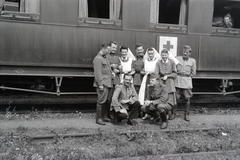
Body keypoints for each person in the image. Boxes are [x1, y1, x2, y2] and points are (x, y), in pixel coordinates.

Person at [93, 42, 113, 125]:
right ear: (103, 49)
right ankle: (99, 118)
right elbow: (98, 73)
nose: (109, 52)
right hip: (103, 84)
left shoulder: (105, 58)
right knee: (101, 101)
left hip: (108, 83)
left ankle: (104, 117)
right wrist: (100, 84)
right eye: (108, 50)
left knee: (106, 101)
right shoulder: (98, 59)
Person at [175, 45, 196, 121]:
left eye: (186, 52)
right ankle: (173, 113)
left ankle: (187, 114)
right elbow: (174, 69)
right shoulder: (177, 59)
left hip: (186, 82)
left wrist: (187, 74)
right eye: (184, 52)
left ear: (189, 53)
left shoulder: (192, 61)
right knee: (175, 98)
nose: (185, 53)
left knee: (187, 99)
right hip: (178, 81)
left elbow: (193, 73)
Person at [155, 48, 177, 120]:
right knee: (163, 97)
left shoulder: (172, 62)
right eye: (163, 55)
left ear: (168, 55)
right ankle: (165, 113)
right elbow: (156, 73)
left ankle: (173, 113)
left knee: (171, 97)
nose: (164, 56)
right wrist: (159, 80)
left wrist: (168, 76)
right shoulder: (158, 62)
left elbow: (175, 74)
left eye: (165, 55)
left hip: (170, 81)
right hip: (162, 81)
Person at [139, 48, 160, 120]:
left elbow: (157, 71)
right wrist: (144, 72)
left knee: (153, 95)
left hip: (154, 78)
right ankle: (146, 113)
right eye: (149, 54)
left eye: (152, 54)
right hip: (147, 79)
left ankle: (153, 114)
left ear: (154, 54)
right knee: (147, 95)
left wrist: (153, 74)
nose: (150, 55)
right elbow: (142, 70)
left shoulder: (157, 61)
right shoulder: (145, 61)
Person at [106, 40, 121, 119]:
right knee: (108, 98)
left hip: (116, 80)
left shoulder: (117, 57)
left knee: (115, 98)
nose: (115, 49)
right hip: (109, 80)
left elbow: (120, 67)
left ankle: (115, 113)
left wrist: (118, 69)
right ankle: (107, 114)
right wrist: (112, 66)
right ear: (110, 47)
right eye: (113, 47)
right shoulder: (106, 56)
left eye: (115, 48)